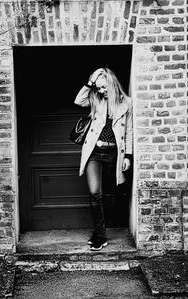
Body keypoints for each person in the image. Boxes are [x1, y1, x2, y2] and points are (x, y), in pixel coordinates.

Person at [74, 68, 133, 251]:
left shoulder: (127, 103)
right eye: (98, 87)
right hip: (94, 151)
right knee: (95, 192)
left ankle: (99, 232)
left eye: (103, 87)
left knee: (109, 194)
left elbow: (129, 131)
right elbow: (79, 100)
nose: (101, 91)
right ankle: (100, 235)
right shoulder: (96, 99)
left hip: (114, 153)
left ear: (112, 83)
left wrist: (128, 156)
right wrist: (91, 81)